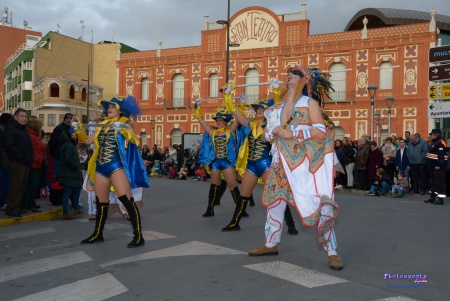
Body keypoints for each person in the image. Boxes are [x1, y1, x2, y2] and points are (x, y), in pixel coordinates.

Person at [247, 66, 344, 271]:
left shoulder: (309, 103)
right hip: (280, 162)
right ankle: (271, 243)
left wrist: (295, 134)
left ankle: (332, 251)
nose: (289, 75)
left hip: (306, 164)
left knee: (321, 204)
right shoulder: (275, 108)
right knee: (275, 202)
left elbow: (320, 131)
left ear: (304, 81)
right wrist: (270, 133)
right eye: (289, 73)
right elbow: (265, 135)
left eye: (296, 73)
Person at [72, 95, 150, 247]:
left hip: (116, 166)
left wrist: (122, 130)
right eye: (109, 107)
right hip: (100, 166)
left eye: (113, 107)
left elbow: (134, 140)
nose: (110, 109)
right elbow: (87, 141)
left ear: (120, 111)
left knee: (127, 200)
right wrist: (78, 130)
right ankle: (97, 234)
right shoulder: (103, 125)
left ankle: (138, 235)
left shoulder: (125, 123)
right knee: (102, 203)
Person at [221, 82, 298, 234]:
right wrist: (228, 95)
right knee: (244, 194)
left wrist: (276, 90)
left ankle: (290, 224)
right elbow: (233, 111)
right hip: (252, 165)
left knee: (278, 194)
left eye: (262, 109)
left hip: (267, 164)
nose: (259, 111)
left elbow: (279, 109)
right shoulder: (249, 125)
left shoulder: (272, 126)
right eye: (257, 109)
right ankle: (234, 222)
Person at [195, 92, 249, 219]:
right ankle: (210, 209)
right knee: (214, 185)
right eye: (217, 120)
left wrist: (241, 104)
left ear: (225, 121)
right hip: (215, 162)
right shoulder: (212, 132)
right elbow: (201, 120)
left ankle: (241, 209)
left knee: (232, 185)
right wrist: (197, 106)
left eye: (221, 120)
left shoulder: (230, 131)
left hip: (227, 162)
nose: (219, 122)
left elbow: (238, 119)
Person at [2, 108, 34, 218]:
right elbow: (10, 146)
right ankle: (11, 210)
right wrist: (22, 156)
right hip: (17, 162)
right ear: (15, 117)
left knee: (21, 186)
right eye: (22, 116)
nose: (24, 118)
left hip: (25, 162)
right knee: (16, 186)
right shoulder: (11, 128)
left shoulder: (23, 129)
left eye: (25, 116)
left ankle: (16, 208)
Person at [20, 118, 45, 213]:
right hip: (33, 163)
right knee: (30, 185)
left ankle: (30, 203)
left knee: (34, 186)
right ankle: (25, 205)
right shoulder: (31, 136)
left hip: (37, 163)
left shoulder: (33, 135)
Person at [58, 131, 84, 219]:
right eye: (73, 135)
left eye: (75, 135)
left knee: (76, 190)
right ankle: (65, 212)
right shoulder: (68, 145)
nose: (75, 137)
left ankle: (76, 208)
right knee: (67, 192)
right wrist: (76, 167)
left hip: (71, 173)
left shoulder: (69, 144)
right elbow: (68, 158)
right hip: (69, 173)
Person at [424, 129, 447, 205]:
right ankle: (432, 198)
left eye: (432, 135)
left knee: (439, 183)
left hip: (438, 168)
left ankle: (440, 200)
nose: (430, 136)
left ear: (435, 135)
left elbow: (442, 156)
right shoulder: (435, 143)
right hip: (432, 167)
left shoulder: (440, 143)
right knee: (433, 183)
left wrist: (439, 165)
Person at [0, 113, 12, 211]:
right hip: (5, 160)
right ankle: (2, 202)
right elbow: (7, 146)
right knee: (4, 183)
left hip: (3, 160)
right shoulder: (5, 130)